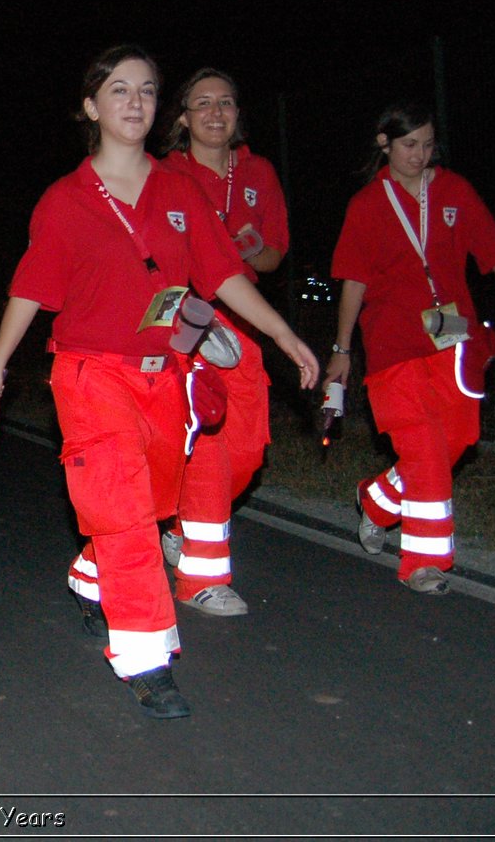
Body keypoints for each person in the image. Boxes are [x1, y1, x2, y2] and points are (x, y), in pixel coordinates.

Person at [0, 46, 318, 719]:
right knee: (124, 507)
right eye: (120, 90)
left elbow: (224, 278)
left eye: (148, 91)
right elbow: (31, 291)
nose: (135, 102)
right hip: (90, 374)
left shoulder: (180, 191)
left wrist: (282, 335)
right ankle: (146, 657)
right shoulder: (65, 200)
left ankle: (89, 576)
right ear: (91, 107)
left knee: (149, 504)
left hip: (169, 378)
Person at [323, 103, 495, 594]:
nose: (420, 155)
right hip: (391, 345)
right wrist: (341, 348)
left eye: (427, 145)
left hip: (453, 339)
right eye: (409, 145)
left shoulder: (454, 191)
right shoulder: (366, 205)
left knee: (458, 437)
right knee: (422, 445)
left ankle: (378, 500)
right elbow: (353, 283)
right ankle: (425, 560)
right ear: (384, 143)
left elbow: (493, 249)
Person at [154, 69, 289, 616]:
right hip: (190, 330)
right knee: (206, 443)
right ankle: (203, 576)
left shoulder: (258, 172)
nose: (216, 113)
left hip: (246, 326)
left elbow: (275, 254)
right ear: (182, 118)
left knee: (248, 451)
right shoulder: (163, 174)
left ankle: (180, 517)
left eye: (226, 103)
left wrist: (245, 253)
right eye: (202, 104)